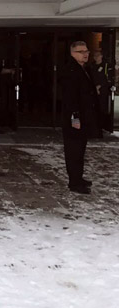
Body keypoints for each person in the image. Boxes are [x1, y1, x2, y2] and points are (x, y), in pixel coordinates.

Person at [60, 41, 100, 194]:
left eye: (86, 51)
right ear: (72, 53)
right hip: (75, 118)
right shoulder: (70, 70)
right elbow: (70, 98)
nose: (85, 54)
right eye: (81, 51)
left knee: (80, 149)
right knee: (73, 150)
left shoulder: (84, 68)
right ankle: (74, 182)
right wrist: (75, 119)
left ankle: (78, 177)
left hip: (85, 116)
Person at [91, 49, 111, 131]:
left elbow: (108, 79)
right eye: (95, 56)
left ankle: (102, 126)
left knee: (102, 108)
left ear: (101, 56)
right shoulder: (92, 66)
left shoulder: (106, 65)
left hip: (103, 91)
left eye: (98, 55)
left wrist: (99, 87)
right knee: (93, 108)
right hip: (93, 90)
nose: (96, 57)